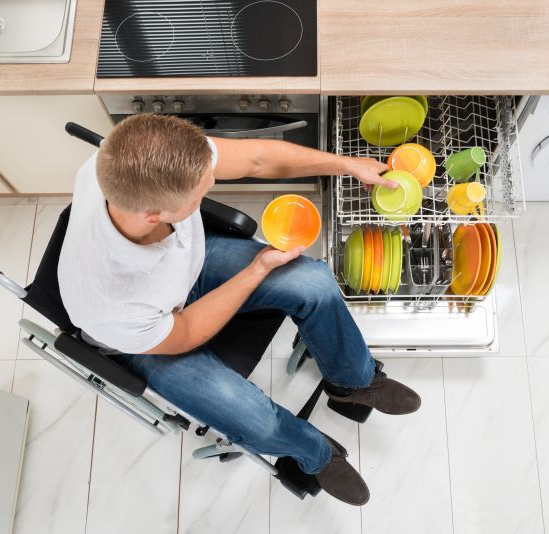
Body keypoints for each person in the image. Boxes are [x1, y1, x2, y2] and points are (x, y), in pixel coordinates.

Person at [57, 114, 421, 506]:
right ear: (153, 215)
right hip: (152, 337)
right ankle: (314, 453)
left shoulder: (129, 158)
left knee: (313, 282)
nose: (211, 184)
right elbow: (185, 331)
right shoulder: (110, 302)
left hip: (184, 268)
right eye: (199, 194)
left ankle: (353, 384)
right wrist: (257, 270)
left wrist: (346, 164)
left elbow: (257, 159)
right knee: (254, 419)